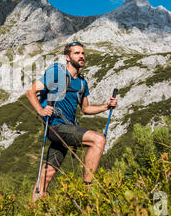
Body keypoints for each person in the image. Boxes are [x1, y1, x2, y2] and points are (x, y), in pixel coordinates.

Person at [25, 41, 118, 200]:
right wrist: (41, 110)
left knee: (47, 174)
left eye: (82, 53)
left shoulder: (82, 83)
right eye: (77, 53)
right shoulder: (57, 73)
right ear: (67, 57)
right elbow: (30, 91)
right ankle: (88, 193)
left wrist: (106, 106)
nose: (81, 56)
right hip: (55, 127)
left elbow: (86, 109)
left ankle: (34, 210)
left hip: (67, 129)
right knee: (98, 140)